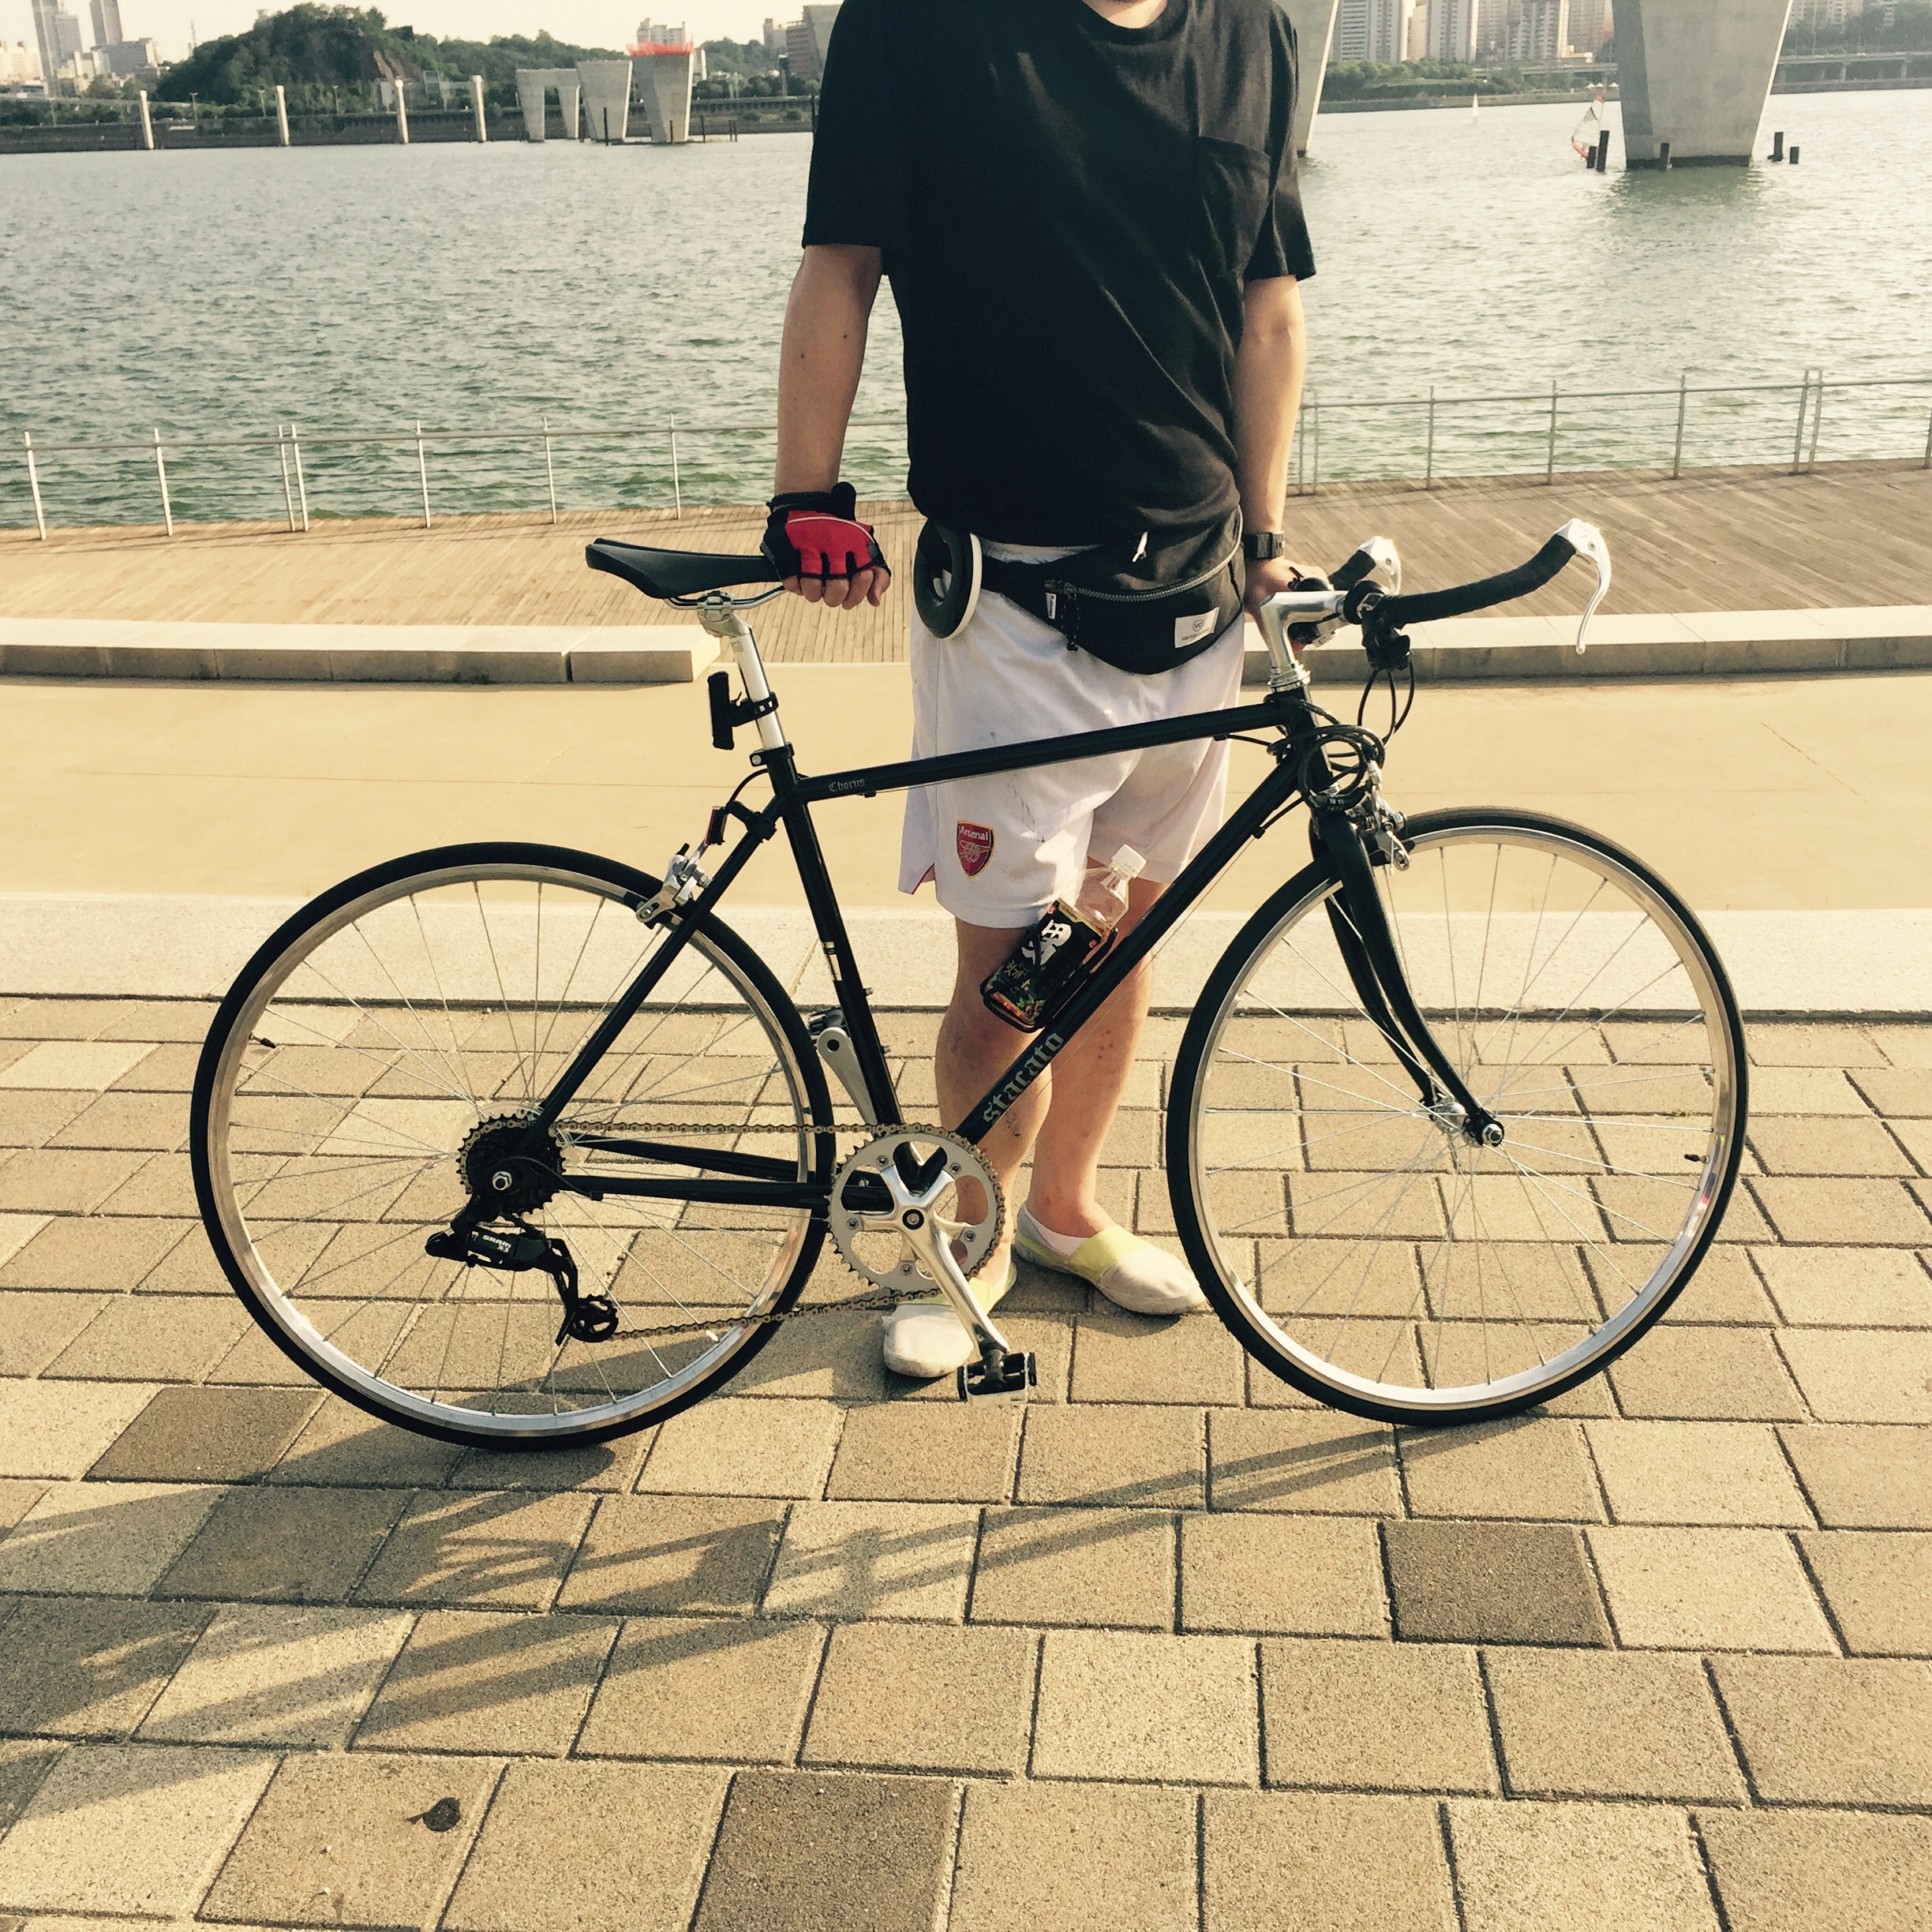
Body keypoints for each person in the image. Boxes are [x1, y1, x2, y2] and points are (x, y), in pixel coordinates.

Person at [762, 0, 1315, 1380]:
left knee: (1121, 930)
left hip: (1198, 595)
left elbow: (1267, 312)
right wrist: (806, 493)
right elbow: (842, 266)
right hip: (1013, 604)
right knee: (1010, 970)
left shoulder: (1252, 33)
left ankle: (1066, 1211)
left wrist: (1266, 537)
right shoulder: (920, 25)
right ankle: (974, 1234)